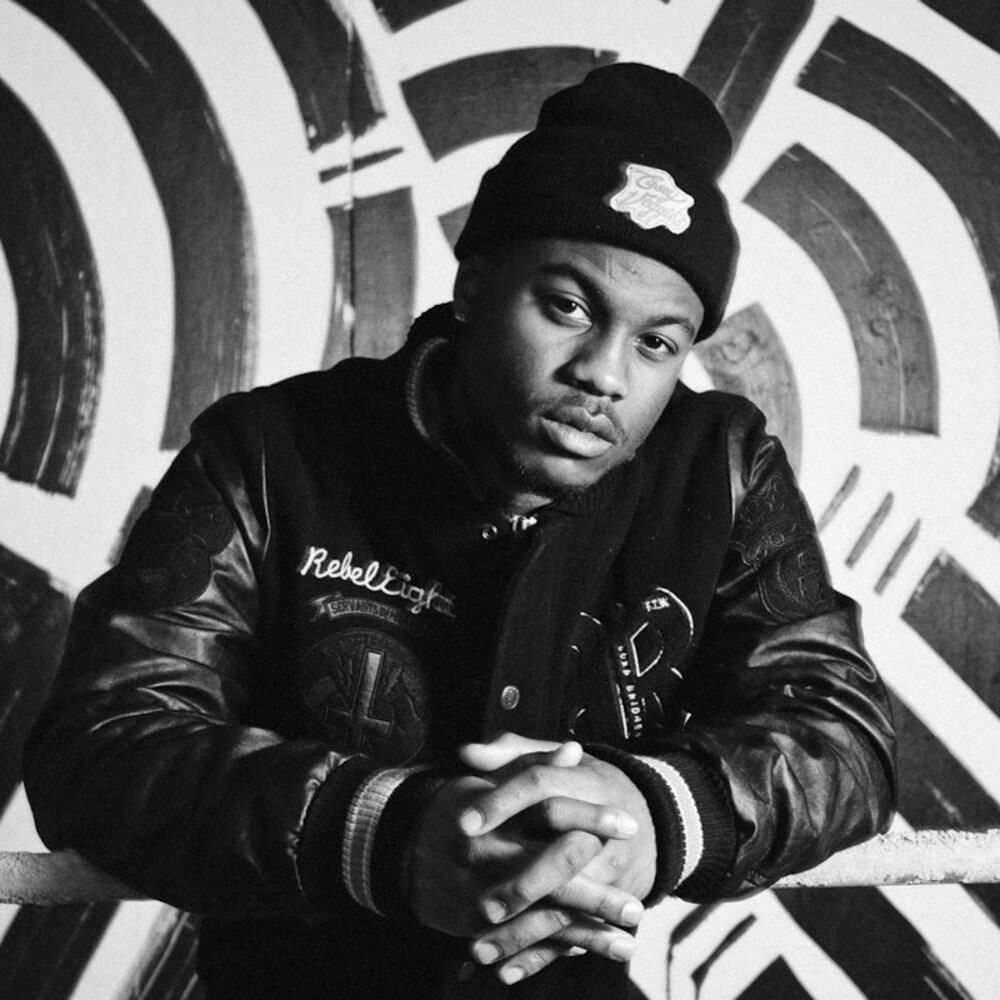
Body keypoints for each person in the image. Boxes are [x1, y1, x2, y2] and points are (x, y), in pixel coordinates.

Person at [23, 63, 896, 1000]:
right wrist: (384, 834)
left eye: (657, 342)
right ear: (475, 287)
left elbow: (841, 735)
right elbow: (102, 743)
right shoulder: (270, 451)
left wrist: (656, 813)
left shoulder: (720, 466)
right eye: (568, 306)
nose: (604, 375)